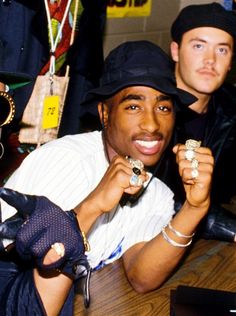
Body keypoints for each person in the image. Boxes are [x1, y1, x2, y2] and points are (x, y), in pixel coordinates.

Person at [0, 40, 214, 315]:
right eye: (133, 106)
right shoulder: (66, 162)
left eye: (163, 108)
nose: (151, 124)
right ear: (104, 113)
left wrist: (194, 208)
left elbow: (142, 276)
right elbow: (21, 304)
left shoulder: (157, 191)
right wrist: (92, 206)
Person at [156, 2, 236, 242]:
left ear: (231, 61)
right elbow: (148, 200)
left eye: (222, 50)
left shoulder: (231, 108)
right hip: (141, 247)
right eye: (199, 46)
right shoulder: (146, 110)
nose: (210, 60)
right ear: (175, 51)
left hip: (205, 248)